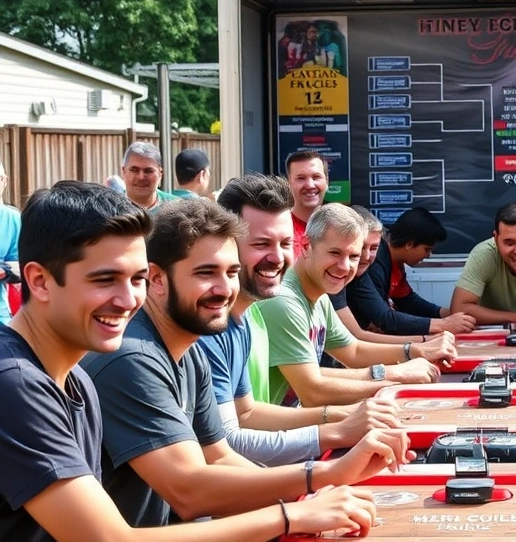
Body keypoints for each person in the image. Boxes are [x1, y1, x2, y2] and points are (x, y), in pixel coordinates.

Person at [0, 181, 385, 540]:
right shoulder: (18, 382)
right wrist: (298, 505)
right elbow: (118, 533)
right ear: (38, 281)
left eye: (135, 279)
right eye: (104, 279)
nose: (127, 299)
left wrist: (312, 498)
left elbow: (218, 459)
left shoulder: (78, 375)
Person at [81, 198, 415, 527]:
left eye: (231, 272)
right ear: (156, 279)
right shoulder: (132, 358)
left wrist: (310, 498)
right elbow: (190, 492)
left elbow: (221, 456)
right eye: (206, 273)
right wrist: (318, 480)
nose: (225, 288)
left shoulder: (190, 349)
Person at [195, 174, 402, 467]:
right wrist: (336, 434)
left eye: (284, 243)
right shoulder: (212, 324)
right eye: (261, 243)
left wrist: (348, 416)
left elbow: (249, 414)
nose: (277, 257)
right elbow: (228, 443)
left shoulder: (247, 312)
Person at [259, 204, 453, 407]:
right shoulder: (285, 301)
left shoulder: (320, 295)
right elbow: (312, 392)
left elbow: (352, 351)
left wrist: (416, 351)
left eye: (353, 256)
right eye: (335, 253)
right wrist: (396, 376)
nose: (344, 266)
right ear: (306, 246)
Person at [347, 207, 475, 336]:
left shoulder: (394, 262)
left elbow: (407, 301)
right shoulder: (372, 264)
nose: (367, 256)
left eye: (373, 247)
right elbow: (385, 320)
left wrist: (447, 313)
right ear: (409, 244)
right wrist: (444, 324)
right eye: (427, 249)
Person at [285, 150, 327, 258]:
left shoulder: (338, 228)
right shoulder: (282, 230)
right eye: (301, 178)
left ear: (327, 181)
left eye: (316, 177)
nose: (310, 185)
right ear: (289, 183)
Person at [121, 141, 178, 212]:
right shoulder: (109, 209)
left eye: (148, 171)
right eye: (134, 170)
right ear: (124, 171)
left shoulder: (177, 208)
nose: (140, 177)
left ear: (160, 173)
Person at [0, 162, 19, 325]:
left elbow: (22, 266)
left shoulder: (13, 218)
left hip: (2, 313)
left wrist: (4, 270)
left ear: (5, 181)